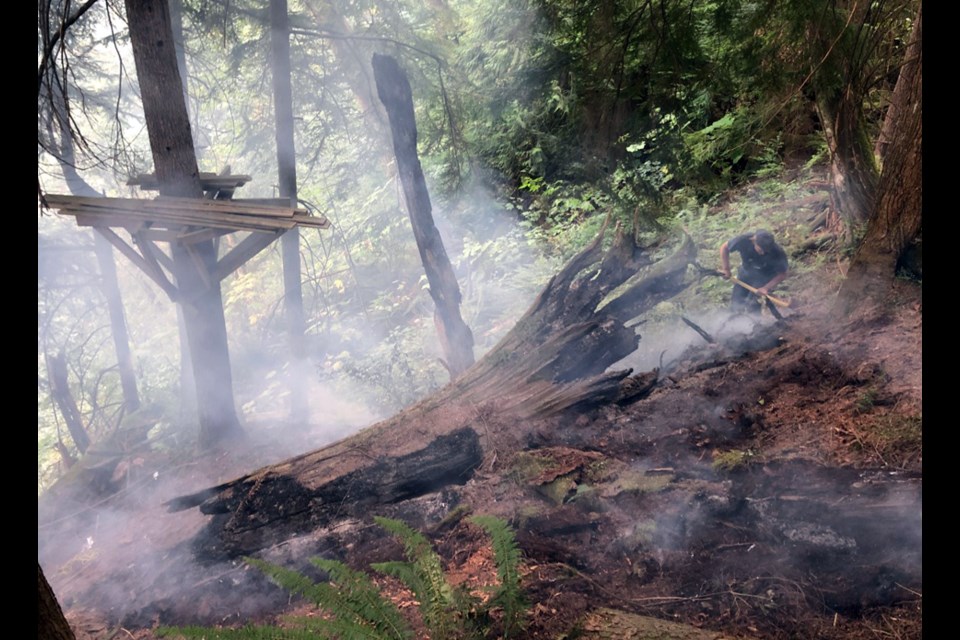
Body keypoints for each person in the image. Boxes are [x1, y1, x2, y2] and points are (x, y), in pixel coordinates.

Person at [719, 229, 788, 314]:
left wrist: (766, 288)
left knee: (753, 305)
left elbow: (782, 274)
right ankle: (734, 322)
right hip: (745, 272)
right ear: (754, 241)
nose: (763, 253)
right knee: (736, 302)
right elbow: (724, 248)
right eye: (761, 250)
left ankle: (756, 324)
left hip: (763, 277)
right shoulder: (743, 240)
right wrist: (726, 269)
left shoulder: (777, 252)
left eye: (766, 251)